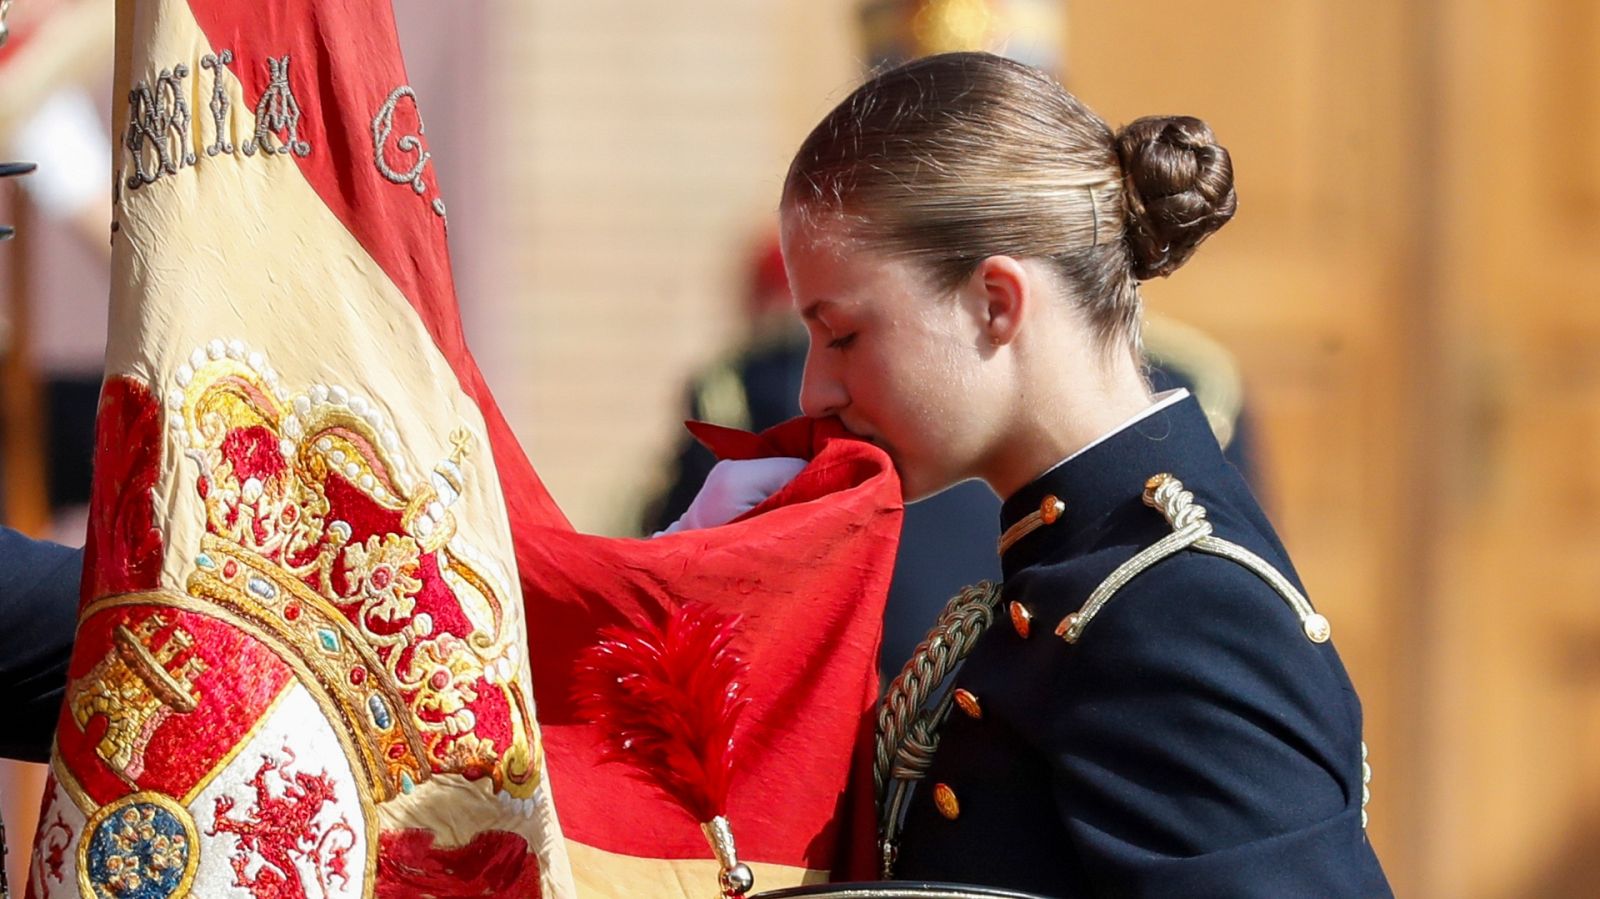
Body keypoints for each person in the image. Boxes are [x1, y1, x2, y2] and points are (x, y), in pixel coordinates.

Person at [780, 51, 1391, 896]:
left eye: (843, 334)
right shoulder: (1080, 570)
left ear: (995, 302)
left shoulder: (1180, 610)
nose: (815, 390)